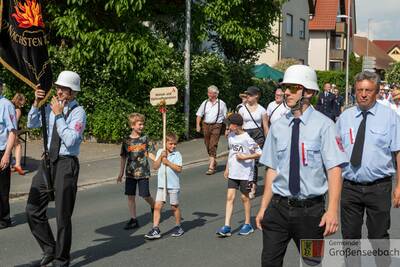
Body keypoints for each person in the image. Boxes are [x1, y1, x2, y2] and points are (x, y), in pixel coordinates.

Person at [255, 65, 347, 267]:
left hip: (310, 214)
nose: (286, 92)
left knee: (311, 262)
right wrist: (263, 208)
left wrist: (332, 210)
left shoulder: (325, 126)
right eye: (285, 87)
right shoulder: (278, 126)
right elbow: (272, 169)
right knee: (269, 262)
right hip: (277, 210)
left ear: (309, 92)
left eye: (293, 88)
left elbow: (334, 170)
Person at [336, 71, 400, 267]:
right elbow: (335, 153)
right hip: (350, 187)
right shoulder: (345, 117)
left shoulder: (390, 117)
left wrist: (399, 186)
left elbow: (398, 152)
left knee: (378, 235)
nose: (363, 94)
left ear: (377, 91)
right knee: (350, 237)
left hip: (378, 187)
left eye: (368, 90)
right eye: (359, 90)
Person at [26, 71, 86, 267]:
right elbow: (31, 123)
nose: (59, 91)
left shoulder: (78, 112)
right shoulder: (50, 108)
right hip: (47, 162)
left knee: (62, 215)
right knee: (32, 209)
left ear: (72, 91)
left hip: (66, 163)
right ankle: (50, 248)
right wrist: (36, 103)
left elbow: (70, 140)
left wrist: (59, 116)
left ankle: (61, 260)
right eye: (58, 87)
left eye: (63, 88)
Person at [216, 113, 261, 237]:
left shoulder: (247, 138)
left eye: (229, 124)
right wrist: (227, 168)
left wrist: (246, 156)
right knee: (230, 197)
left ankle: (247, 224)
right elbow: (231, 153)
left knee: (244, 198)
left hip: (246, 173)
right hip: (233, 172)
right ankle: (227, 226)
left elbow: (259, 153)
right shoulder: (230, 136)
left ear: (235, 125)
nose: (227, 127)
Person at [117, 113, 155, 230]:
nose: (142, 126)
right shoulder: (126, 141)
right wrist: (121, 173)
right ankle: (133, 219)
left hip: (143, 172)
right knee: (130, 196)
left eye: (142, 124)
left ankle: (154, 206)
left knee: (145, 195)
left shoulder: (145, 138)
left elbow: (150, 153)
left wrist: (158, 160)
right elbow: (123, 157)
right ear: (132, 126)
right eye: (139, 124)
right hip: (130, 173)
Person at [144, 132, 184, 239]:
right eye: (170, 144)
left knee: (174, 206)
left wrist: (168, 162)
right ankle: (155, 229)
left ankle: (178, 226)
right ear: (165, 143)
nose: (173, 146)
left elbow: (179, 169)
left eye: (175, 144)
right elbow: (155, 167)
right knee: (157, 207)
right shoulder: (161, 152)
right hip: (162, 184)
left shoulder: (177, 154)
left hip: (173, 185)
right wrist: (160, 158)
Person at [237, 86, 268, 199]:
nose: (247, 97)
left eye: (250, 95)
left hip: (258, 136)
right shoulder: (242, 109)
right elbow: (239, 125)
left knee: (253, 161)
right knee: (247, 160)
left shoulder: (262, 110)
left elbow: (265, 127)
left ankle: (253, 186)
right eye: (247, 95)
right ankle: (246, 182)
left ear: (256, 96)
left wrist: (268, 140)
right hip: (245, 136)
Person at [196, 85, 227, 175]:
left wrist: (227, 128)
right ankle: (213, 160)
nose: (208, 94)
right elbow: (199, 114)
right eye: (208, 92)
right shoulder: (205, 103)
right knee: (207, 144)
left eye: (210, 92)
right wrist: (198, 125)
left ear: (215, 94)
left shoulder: (222, 104)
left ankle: (211, 167)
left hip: (217, 125)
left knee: (213, 144)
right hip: (205, 125)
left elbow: (225, 117)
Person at [0, 78, 17, 230]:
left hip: (1, 151)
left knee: (2, 188)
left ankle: (4, 219)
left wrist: (7, 154)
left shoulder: (6, 105)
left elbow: (12, 131)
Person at [11, 93, 26, 175]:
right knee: (18, 145)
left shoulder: (8, 104)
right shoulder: (17, 110)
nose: (23, 104)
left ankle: (11, 164)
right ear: (19, 100)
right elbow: (14, 123)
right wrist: (17, 133)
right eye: (22, 102)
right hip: (12, 131)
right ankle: (17, 164)